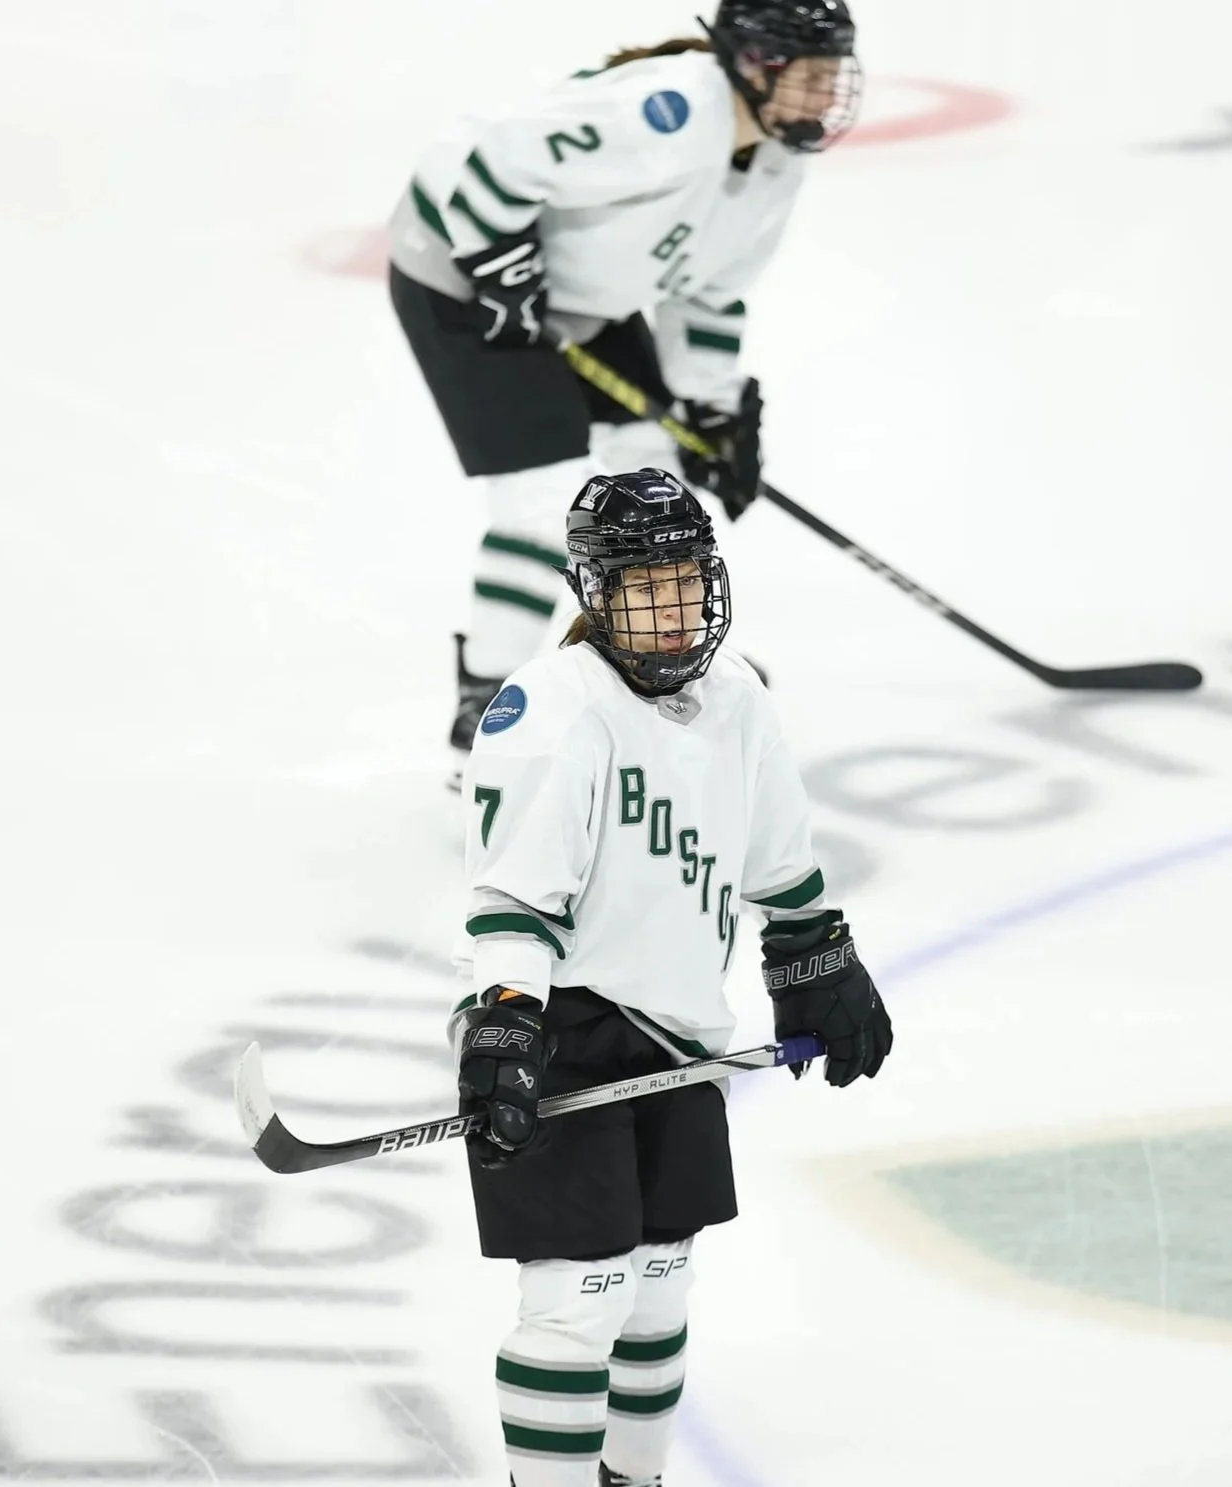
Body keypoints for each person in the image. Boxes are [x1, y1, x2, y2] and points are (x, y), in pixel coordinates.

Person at [451, 467, 892, 1487]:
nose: (670, 608)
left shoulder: (738, 700)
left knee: (655, 1289)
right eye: (643, 586)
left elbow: (780, 860)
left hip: (680, 1034)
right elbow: (513, 899)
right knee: (579, 1300)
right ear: (594, 593)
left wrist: (816, 959)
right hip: (566, 1023)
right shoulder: (554, 710)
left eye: (685, 580)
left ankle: (631, 1478)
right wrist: (507, 1023)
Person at [387, 1, 862, 762]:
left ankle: (643, 666)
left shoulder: (777, 159)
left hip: (577, 295)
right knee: (542, 505)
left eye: (833, 74)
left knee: (656, 481)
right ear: (750, 67)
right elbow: (494, 166)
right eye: (809, 76)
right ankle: (484, 706)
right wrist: (503, 267)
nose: (826, 96)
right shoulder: (668, 113)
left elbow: (708, 292)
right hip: (460, 277)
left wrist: (710, 409)